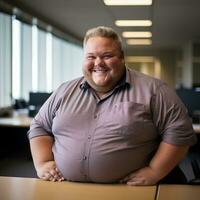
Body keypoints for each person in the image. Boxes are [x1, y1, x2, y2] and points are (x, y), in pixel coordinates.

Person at [27, 26, 197, 185]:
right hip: (67, 188)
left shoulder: (155, 90)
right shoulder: (64, 91)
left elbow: (180, 132)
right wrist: (43, 163)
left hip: (130, 191)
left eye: (107, 56)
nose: (98, 63)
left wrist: (154, 171)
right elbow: (40, 126)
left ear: (122, 57)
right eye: (91, 57)